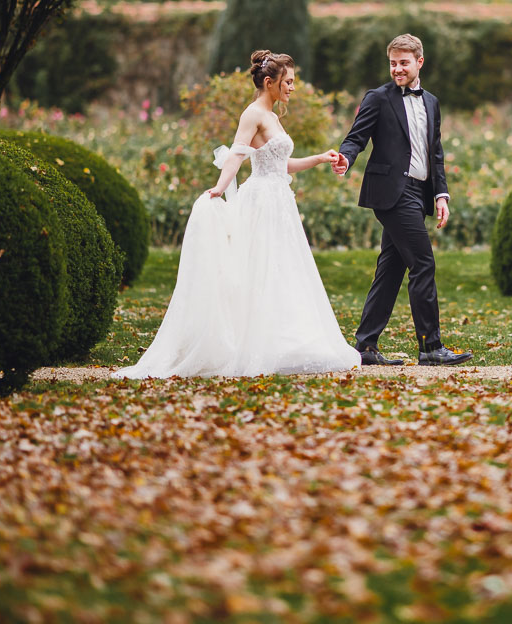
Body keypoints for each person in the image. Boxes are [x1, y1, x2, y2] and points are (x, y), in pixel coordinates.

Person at [116, 50, 359, 379]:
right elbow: (236, 154)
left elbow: (280, 164)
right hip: (261, 200)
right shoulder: (253, 114)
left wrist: (318, 158)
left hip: (279, 200)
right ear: (270, 83)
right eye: (288, 82)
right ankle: (253, 343)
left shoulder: (273, 115)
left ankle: (281, 339)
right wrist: (219, 187)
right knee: (258, 268)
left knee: (282, 269)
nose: (293, 87)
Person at [333, 34, 473, 366]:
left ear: (419, 62)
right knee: (423, 264)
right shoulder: (378, 98)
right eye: (393, 63)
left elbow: (434, 152)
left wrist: (441, 195)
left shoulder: (432, 102)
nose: (397, 69)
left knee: (390, 270)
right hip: (391, 193)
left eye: (404, 63)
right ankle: (430, 347)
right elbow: (357, 137)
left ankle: (366, 347)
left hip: (418, 192)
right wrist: (345, 158)